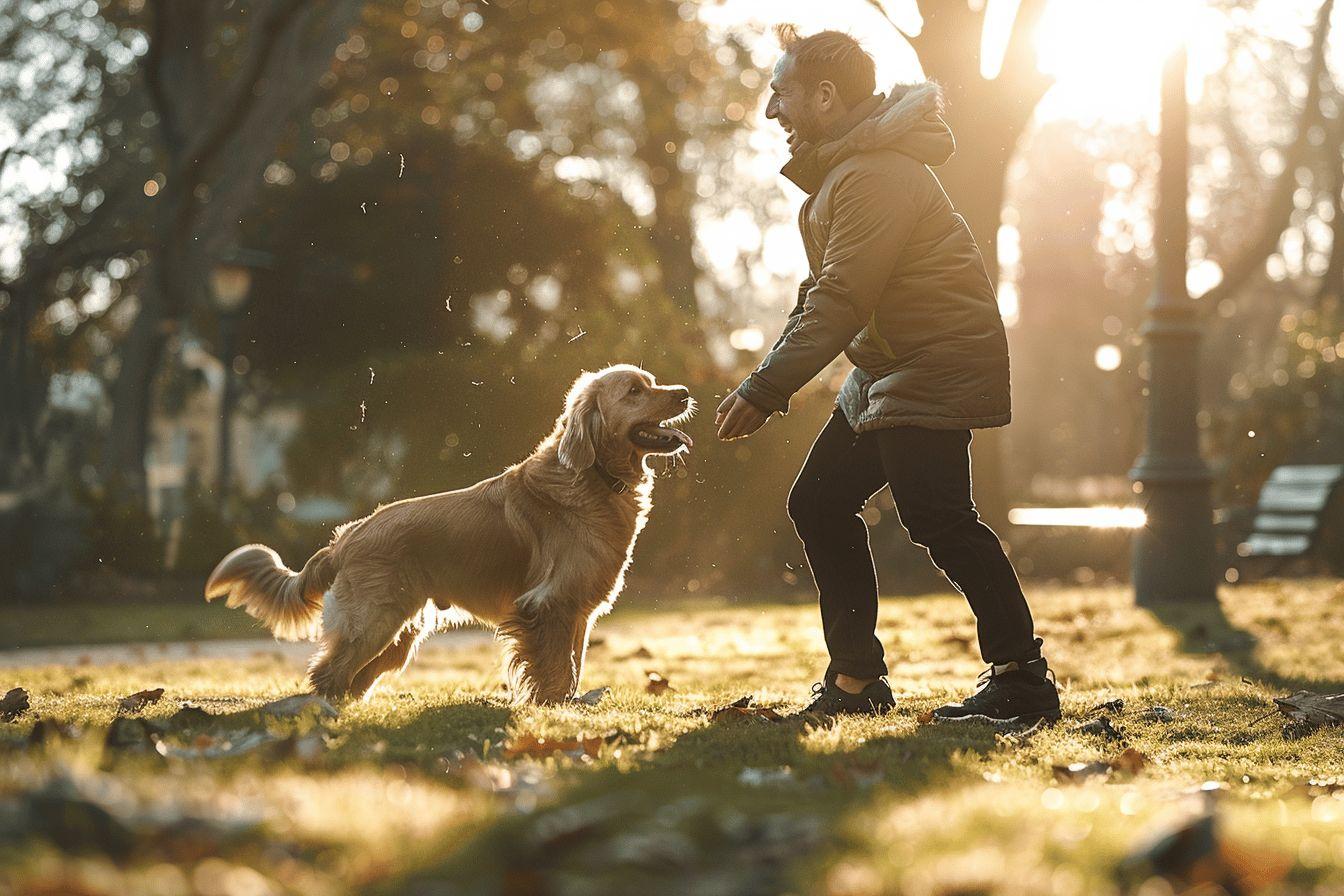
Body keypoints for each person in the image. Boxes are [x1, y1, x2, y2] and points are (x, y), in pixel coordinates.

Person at [715, 25, 1060, 724]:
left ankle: (1022, 677)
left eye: (779, 93)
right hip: (883, 369)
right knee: (818, 502)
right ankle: (856, 682)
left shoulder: (876, 174)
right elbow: (821, 296)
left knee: (939, 519)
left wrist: (765, 388)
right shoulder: (850, 171)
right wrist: (767, 376)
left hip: (933, 361)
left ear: (824, 94)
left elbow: (843, 299)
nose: (771, 111)